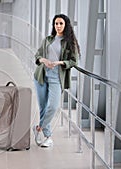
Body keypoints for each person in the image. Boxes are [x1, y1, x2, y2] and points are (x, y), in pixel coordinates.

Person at [32, 14, 80, 147]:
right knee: (43, 107)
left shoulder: (70, 43)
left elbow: (73, 61)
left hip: (56, 77)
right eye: (56, 24)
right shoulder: (48, 40)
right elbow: (38, 55)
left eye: (61, 24)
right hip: (41, 76)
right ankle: (47, 137)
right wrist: (43, 60)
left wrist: (60, 62)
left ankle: (38, 128)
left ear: (66, 25)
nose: (58, 26)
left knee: (53, 106)